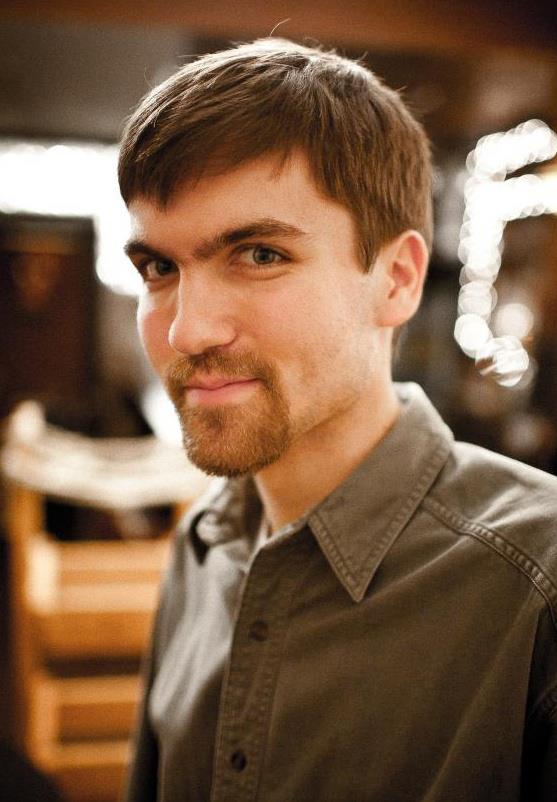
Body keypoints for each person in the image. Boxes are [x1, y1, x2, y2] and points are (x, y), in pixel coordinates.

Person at [118, 38, 557, 802]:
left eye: (259, 254)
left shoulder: (537, 587)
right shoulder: (203, 547)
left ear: (396, 280)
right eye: (159, 267)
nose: (186, 331)